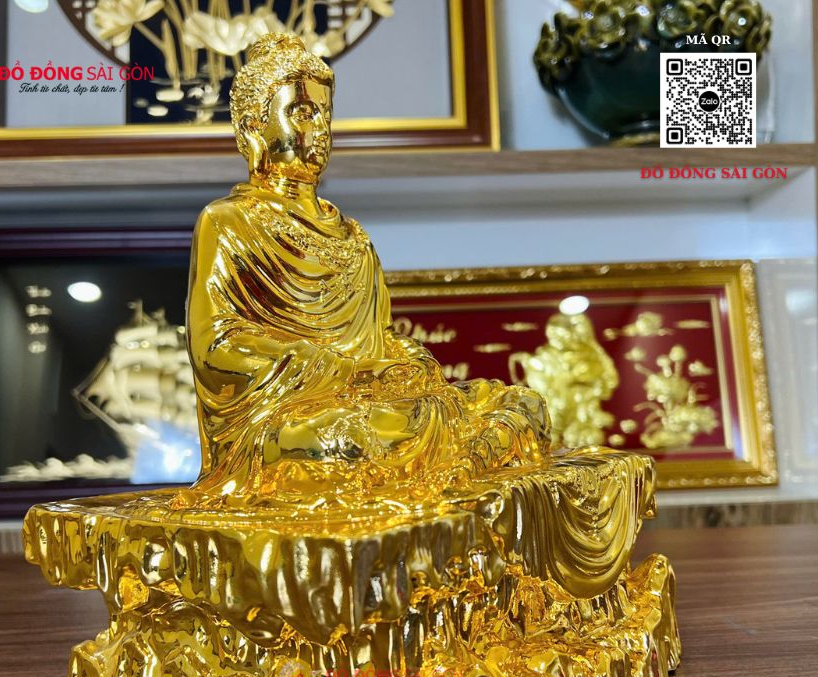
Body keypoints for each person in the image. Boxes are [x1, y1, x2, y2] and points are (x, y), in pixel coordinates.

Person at [175, 34, 553, 510]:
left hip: (374, 402)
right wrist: (346, 373)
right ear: (254, 125)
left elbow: (380, 338)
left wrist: (409, 361)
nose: (320, 129)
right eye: (302, 113)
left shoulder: (351, 236)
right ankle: (461, 463)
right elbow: (216, 349)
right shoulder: (228, 222)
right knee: (344, 439)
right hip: (286, 418)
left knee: (519, 404)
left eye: (325, 114)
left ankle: (454, 465)